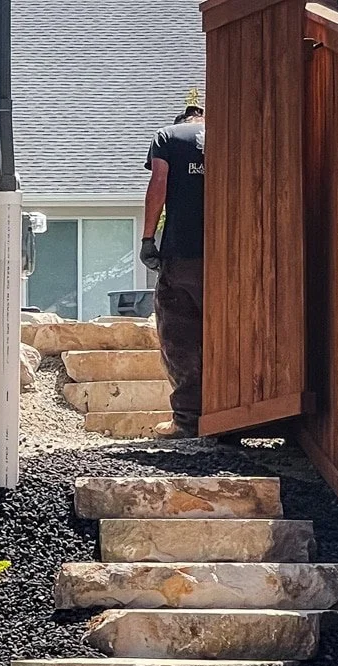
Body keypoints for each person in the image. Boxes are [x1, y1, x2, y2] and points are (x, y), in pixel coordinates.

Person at [140, 104, 206, 438]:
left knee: (179, 334)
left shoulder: (168, 137)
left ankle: (187, 420)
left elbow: (159, 183)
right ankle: (236, 416)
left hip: (183, 253)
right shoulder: (230, 137)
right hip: (232, 256)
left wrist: (148, 238)